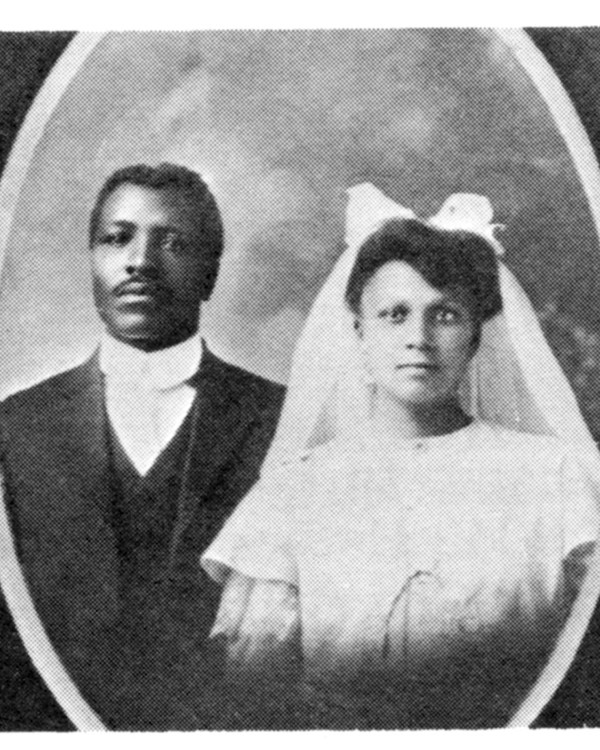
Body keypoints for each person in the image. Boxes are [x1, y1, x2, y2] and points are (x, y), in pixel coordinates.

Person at [201, 184, 600, 729]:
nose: (419, 337)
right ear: (359, 336)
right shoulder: (296, 490)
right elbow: (258, 698)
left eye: (446, 315)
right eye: (394, 315)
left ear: (477, 338)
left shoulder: (555, 474)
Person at [0, 163, 285, 728]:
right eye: (117, 238)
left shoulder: (281, 421)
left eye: (174, 243)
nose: (140, 262)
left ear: (210, 275)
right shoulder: (15, 428)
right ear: (92, 260)